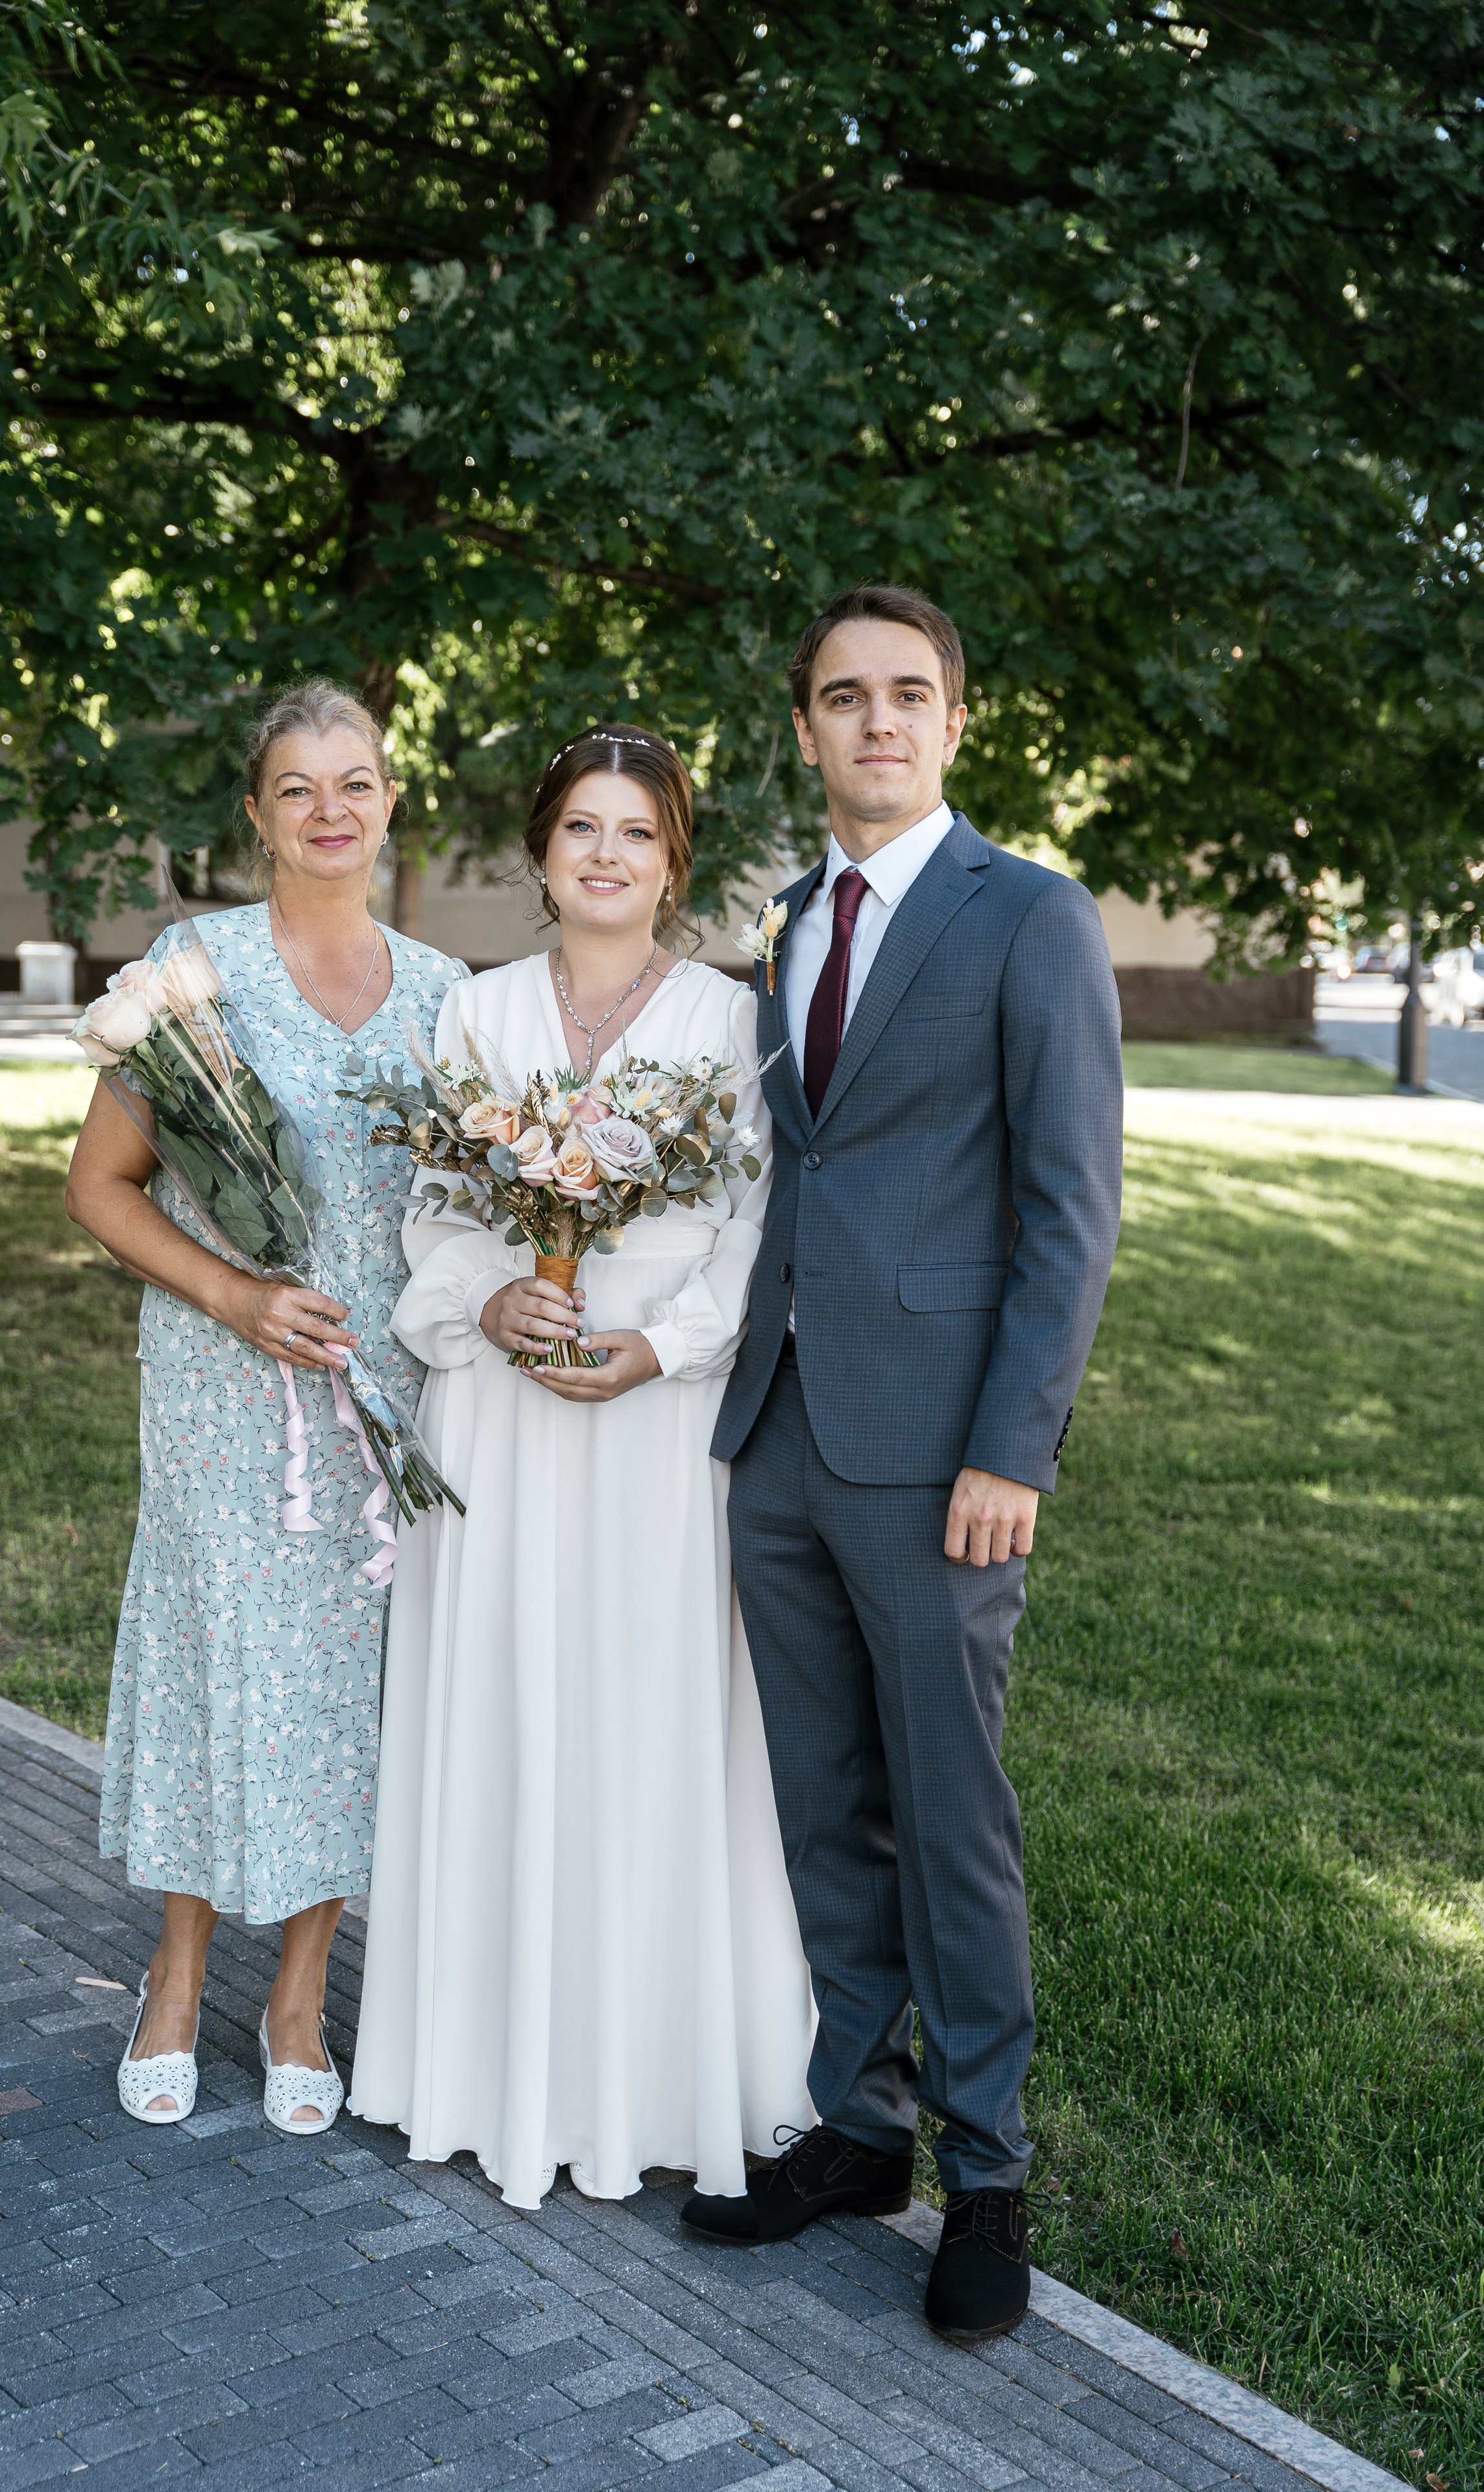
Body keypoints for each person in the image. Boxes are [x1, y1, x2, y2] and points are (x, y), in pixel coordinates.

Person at [685, 584, 1123, 2347]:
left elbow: (1068, 1213)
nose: (878, 722)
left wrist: (1012, 1447)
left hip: (944, 1455)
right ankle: (860, 2134)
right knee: (820, 1808)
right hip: (779, 1436)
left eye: (909, 695)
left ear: (956, 722)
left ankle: (990, 2172)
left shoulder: (1034, 920)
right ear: (805, 729)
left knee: (952, 1823)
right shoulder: (791, 918)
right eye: (844, 697)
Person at [348, 724, 815, 2207]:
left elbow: (755, 1231)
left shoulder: (733, 1020)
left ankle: (654, 2076)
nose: (603, 855)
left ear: (673, 858)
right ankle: (483, 2070)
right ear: (539, 854)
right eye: (577, 831)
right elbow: (430, 1213)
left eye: (633, 832)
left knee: (648, 1719)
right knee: (501, 1710)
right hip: (498, 1407)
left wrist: (663, 1347)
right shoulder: (475, 1012)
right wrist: (487, 1299)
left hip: (657, 1424)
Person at [66, 678, 465, 2137]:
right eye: (295, 788)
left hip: (383, 1397)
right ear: (257, 815)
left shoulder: (442, 994)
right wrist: (236, 1297)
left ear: (388, 800)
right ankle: (173, 1979)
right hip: (226, 1390)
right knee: (214, 1666)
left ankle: (298, 1994)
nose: (327, 811)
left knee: (352, 1697)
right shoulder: (197, 968)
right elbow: (99, 1189)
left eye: (352, 782)